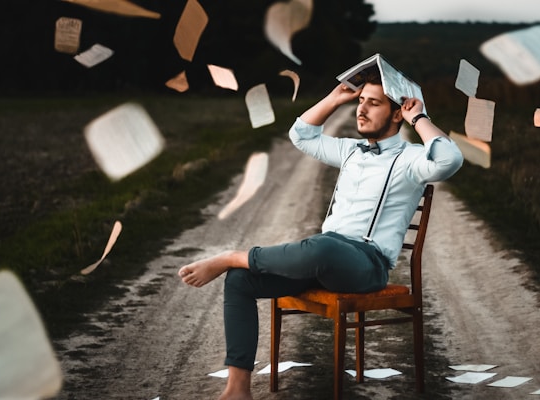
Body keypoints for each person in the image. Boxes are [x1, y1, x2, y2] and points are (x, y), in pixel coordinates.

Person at [178, 69, 463, 400]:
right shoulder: (351, 150)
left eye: (374, 103)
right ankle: (238, 389)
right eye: (360, 101)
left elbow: (450, 159)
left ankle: (232, 256)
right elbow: (301, 135)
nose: (361, 109)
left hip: (366, 265)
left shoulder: (412, 158)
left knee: (321, 247)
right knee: (241, 281)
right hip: (324, 260)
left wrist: (420, 118)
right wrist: (334, 98)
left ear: (398, 112)